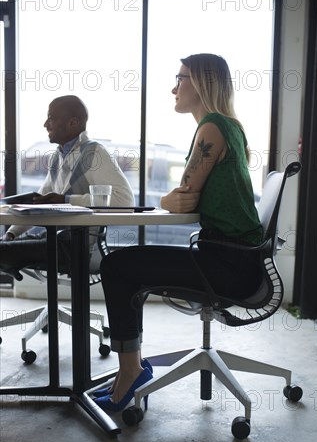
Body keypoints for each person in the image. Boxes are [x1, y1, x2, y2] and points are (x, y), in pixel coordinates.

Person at [94, 53, 263, 412]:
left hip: (228, 266)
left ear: (202, 84)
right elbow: (183, 198)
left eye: (180, 78)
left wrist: (175, 196)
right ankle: (131, 371)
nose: (174, 88)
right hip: (233, 260)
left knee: (116, 267)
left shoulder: (213, 127)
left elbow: (183, 198)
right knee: (123, 265)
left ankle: (131, 374)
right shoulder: (225, 126)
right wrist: (177, 197)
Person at [0, 95, 134, 273]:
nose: (45, 124)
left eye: (52, 118)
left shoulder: (94, 153)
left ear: (72, 123)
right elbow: (39, 201)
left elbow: (126, 201)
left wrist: (66, 199)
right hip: (53, 238)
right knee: (4, 248)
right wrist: (11, 234)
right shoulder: (58, 156)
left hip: (77, 247)